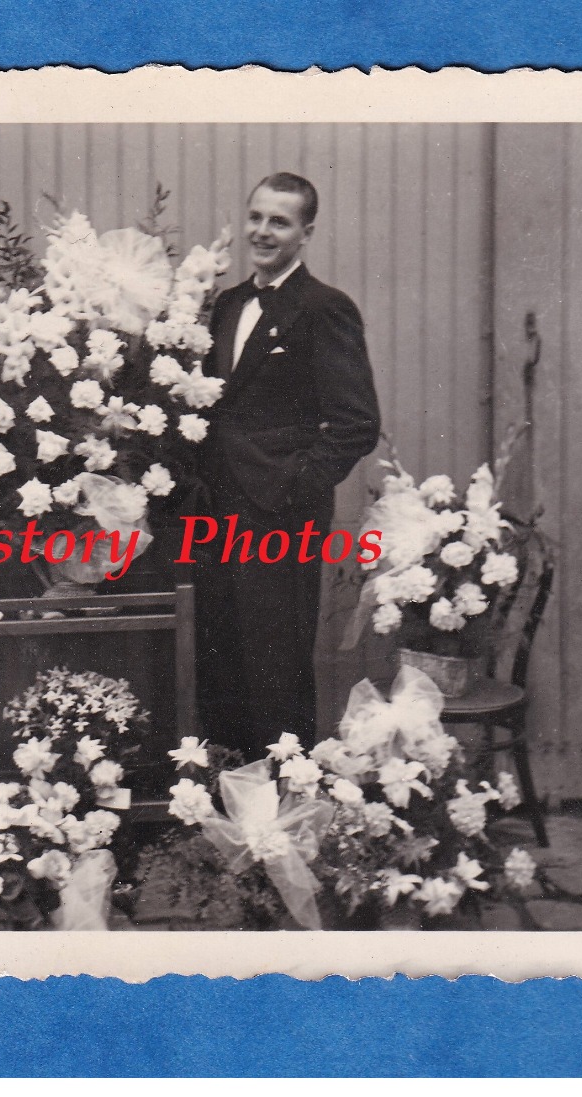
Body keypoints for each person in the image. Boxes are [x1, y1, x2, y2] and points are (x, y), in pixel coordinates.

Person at [195, 172, 381, 754]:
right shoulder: (226, 305)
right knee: (220, 661)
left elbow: (357, 424)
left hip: (280, 519)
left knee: (276, 664)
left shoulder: (324, 308)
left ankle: (284, 810)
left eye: (279, 221)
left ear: (306, 233)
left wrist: (290, 486)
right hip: (216, 514)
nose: (263, 231)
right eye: (255, 217)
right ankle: (228, 811)